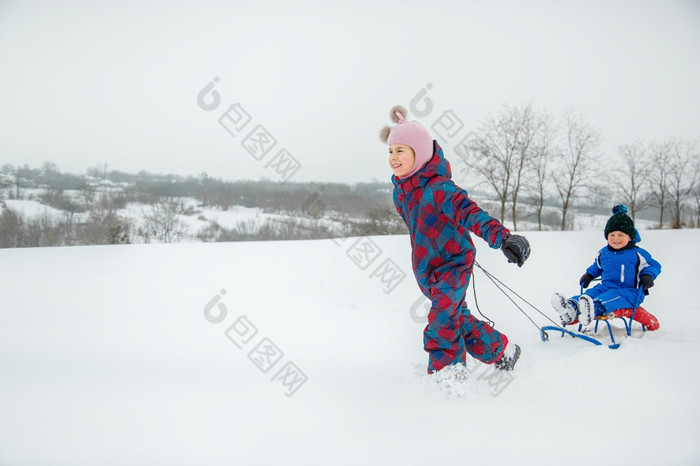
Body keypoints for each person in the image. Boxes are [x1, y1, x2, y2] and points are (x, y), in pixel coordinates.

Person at [380, 105, 530, 374]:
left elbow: (471, 214)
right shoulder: (401, 194)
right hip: (427, 269)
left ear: (420, 153)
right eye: (391, 151)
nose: (393, 157)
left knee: (441, 321)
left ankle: (449, 376)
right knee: (456, 317)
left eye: (401, 150)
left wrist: (504, 238)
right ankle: (502, 351)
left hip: (454, 263)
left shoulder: (439, 188)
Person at [551, 205, 661, 330]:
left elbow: (654, 265)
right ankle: (570, 307)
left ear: (630, 236)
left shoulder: (637, 254)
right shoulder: (604, 253)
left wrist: (648, 275)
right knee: (590, 294)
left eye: (621, 235)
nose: (616, 239)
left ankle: (594, 309)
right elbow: (597, 266)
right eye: (612, 235)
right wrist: (590, 274)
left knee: (607, 298)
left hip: (630, 292)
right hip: (606, 287)